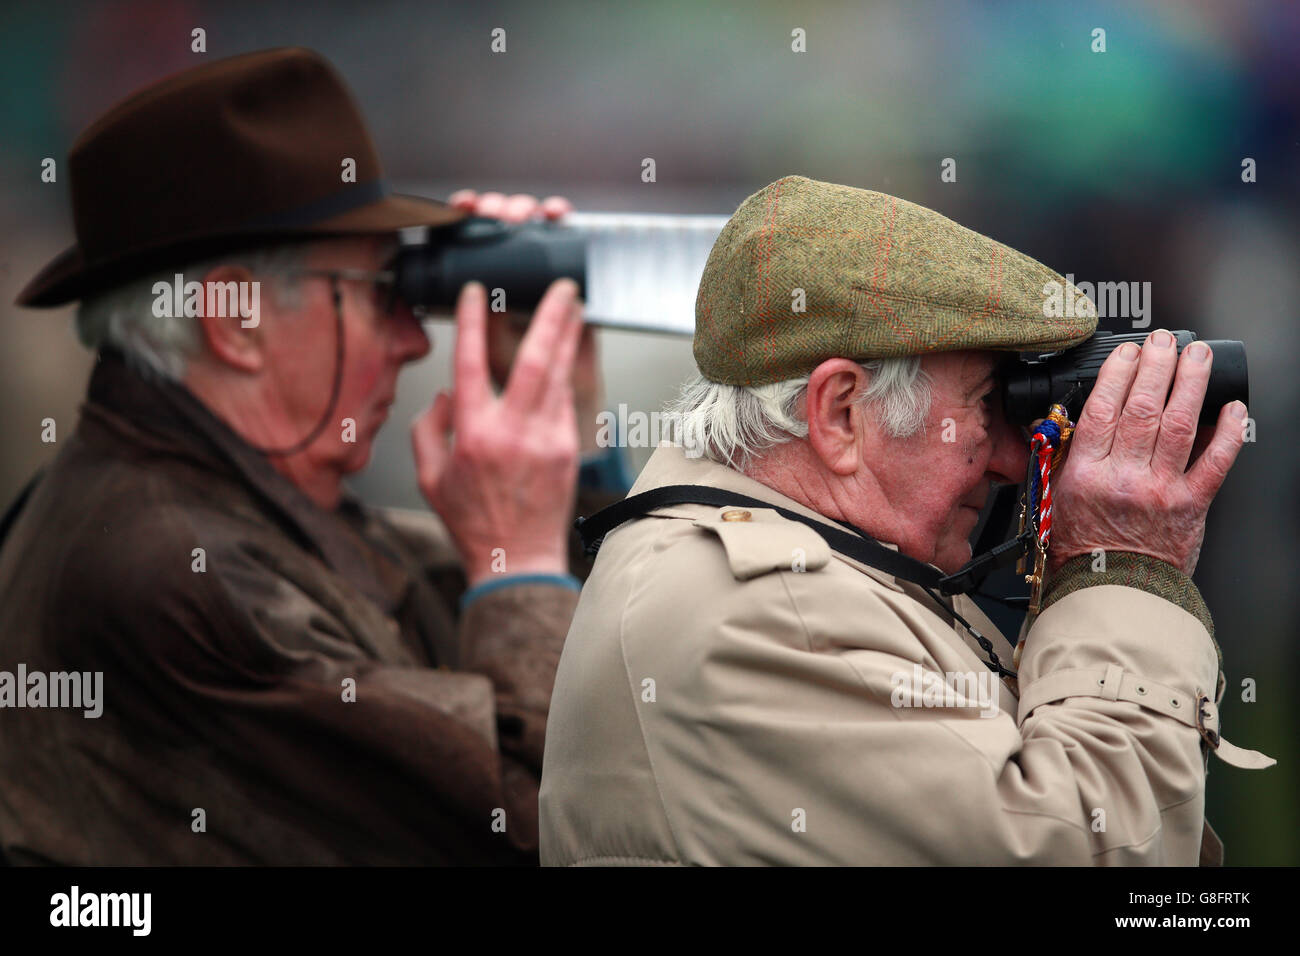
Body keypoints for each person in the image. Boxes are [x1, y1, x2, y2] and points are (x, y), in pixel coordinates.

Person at [539, 175, 1275, 866]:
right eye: (988, 403)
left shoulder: (757, 563)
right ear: (841, 413)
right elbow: (1089, 849)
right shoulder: (767, 614)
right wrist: (1124, 562)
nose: (1011, 463)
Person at [0, 47, 610, 864]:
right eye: (379, 293)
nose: (411, 338)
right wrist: (519, 564)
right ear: (235, 320)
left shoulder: (247, 500)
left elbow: (596, 649)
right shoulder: (179, 576)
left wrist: (573, 442)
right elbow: (547, 829)